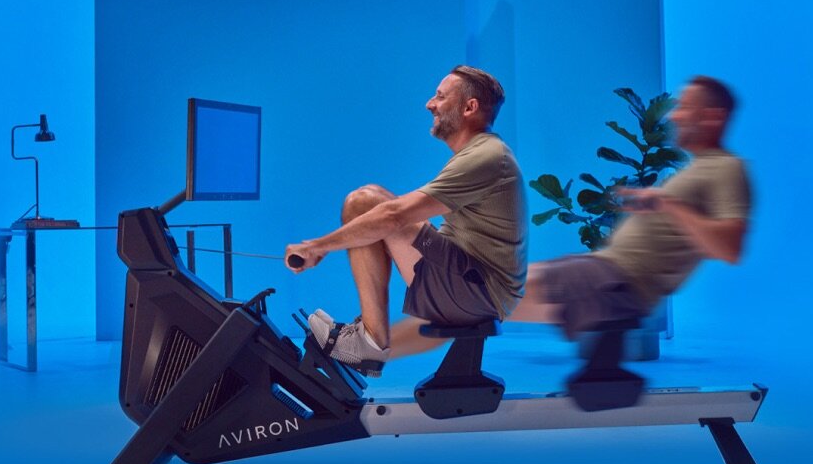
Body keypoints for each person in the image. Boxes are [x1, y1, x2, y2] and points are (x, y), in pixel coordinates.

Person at [390, 74, 751, 355]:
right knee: (468, 301)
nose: (675, 114)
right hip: (603, 270)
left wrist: (668, 204)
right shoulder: (700, 168)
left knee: (473, 299)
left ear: (714, 116)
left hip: (617, 282)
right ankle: (374, 352)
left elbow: (729, 248)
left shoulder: (726, 168)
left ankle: (372, 352)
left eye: (687, 108)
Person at [285, 65, 528, 377]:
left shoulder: (486, 156)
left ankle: (369, 343)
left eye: (440, 97)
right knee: (372, 205)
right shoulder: (482, 152)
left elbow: (395, 215)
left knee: (365, 202)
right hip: (475, 284)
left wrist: (317, 247)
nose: (430, 104)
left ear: (469, 107)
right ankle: (369, 338)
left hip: (479, 292)